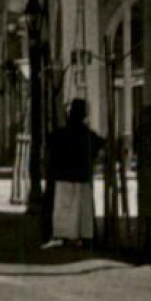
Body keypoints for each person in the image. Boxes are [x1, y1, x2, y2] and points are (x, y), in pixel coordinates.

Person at [43, 98, 105, 249]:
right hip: (81, 177)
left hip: (63, 177)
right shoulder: (89, 135)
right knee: (82, 210)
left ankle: (64, 236)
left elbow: (50, 143)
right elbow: (100, 145)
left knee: (64, 209)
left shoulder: (60, 134)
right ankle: (83, 236)